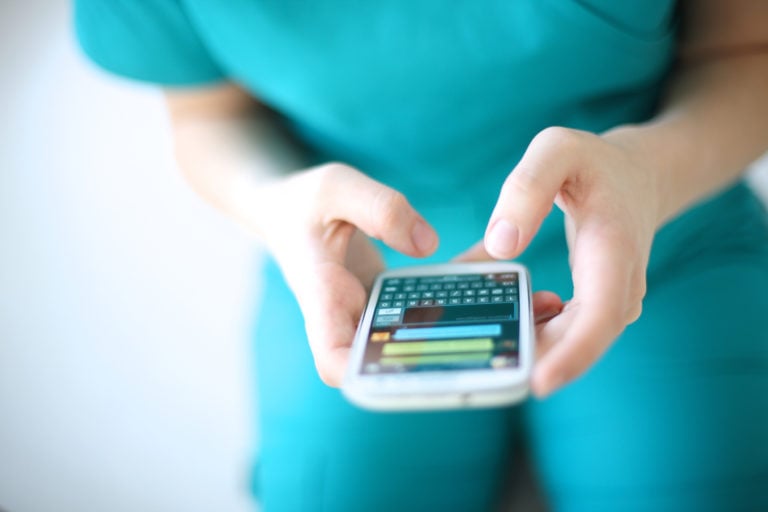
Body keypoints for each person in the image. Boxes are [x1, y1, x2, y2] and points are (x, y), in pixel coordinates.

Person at [75, 1, 768, 510]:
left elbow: (745, 51)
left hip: (664, 233)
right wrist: (274, 203)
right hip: (355, 277)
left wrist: (650, 173)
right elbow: (209, 113)